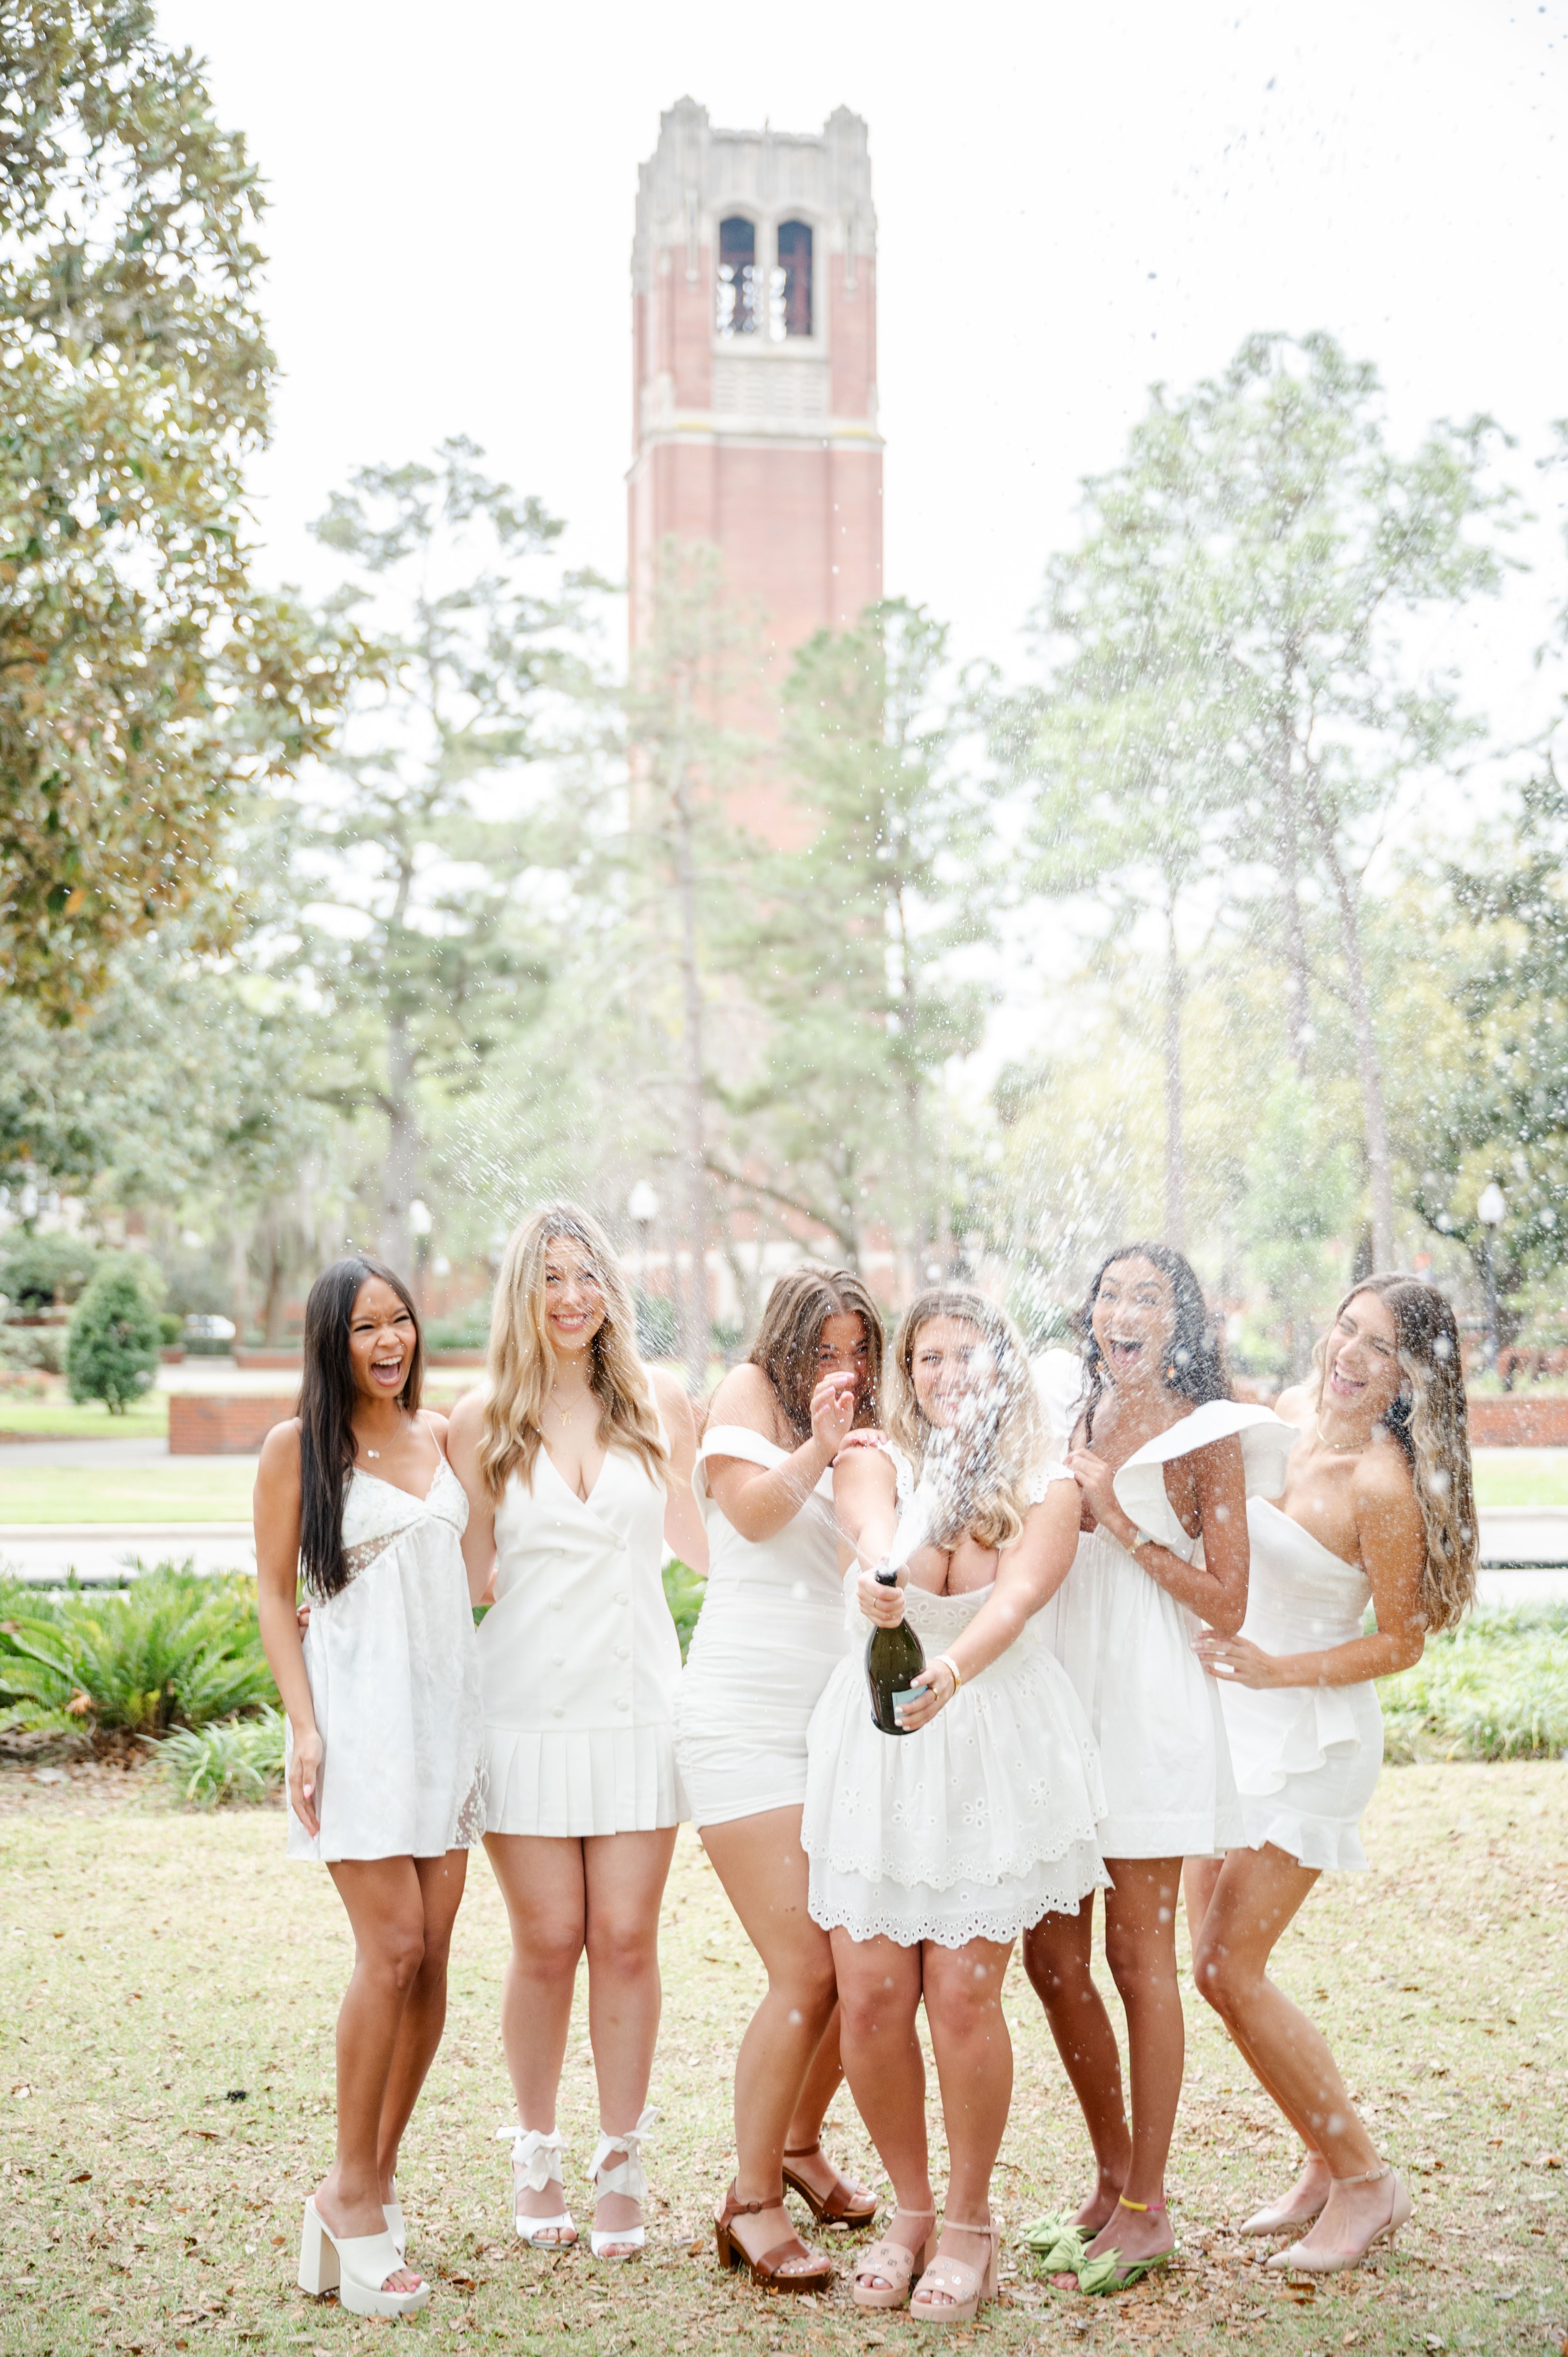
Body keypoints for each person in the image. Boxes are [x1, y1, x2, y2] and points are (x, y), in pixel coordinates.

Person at [803, 1288, 1110, 2324]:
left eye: (964, 1356)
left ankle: (970, 2220)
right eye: (927, 1357)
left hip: (982, 1734)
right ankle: (909, 2207)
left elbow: (1017, 1598)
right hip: (882, 1746)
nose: (944, 1374)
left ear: (1002, 1368)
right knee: (875, 1992)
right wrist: (878, 1581)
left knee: (963, 1995)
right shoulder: (871, 1456)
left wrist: (953, 1671)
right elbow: (869, 1529)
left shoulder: (1046, 1480)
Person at [1184, 1275, 1476, 2274]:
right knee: (1216, 1972)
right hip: (1230, 1723)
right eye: (1344, 1328)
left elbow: (1400, 1643)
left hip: (1310, 1736)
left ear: (1409, 1378)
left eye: (1378, 1346)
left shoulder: (1381, 1486)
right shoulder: (1284, 1422)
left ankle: (1364, 2181)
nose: (1347, 1353)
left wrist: (1278, 1669)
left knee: (1226, 1965)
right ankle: (1320, 2157)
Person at [1023, 1244, 1294, 2291]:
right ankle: (1105, 2176)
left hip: (1146, 1705)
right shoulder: (1075, 1414)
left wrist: (1123, 1521)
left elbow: (1225, 1598)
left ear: (1177, 1320)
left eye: (1145, 1296)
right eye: (1107, 1292)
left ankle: (1148, 2203)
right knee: (1050, 1957)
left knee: (1138, 1959)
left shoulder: (1204, 1432)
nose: (1120, 1310)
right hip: (1063, 1695)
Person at [445, 1204, 705, 2261]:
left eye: (586, 1275)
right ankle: (537, 2150)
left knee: (628, 1938)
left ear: (611, 1289)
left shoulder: (660, 1403)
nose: (569, 1296)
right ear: (523, 1290)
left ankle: (621, 2161)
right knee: (549, 1939)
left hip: (641, 1704)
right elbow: (459, 1578)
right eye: (549, 1277)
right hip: (525, 1710)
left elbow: (709, 1544)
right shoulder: (476, 1419)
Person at [256, 1256, 485, 2320]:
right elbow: (271, 1586)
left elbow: (473, 1576)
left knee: (431, 1958)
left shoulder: (442, 1436)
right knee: (389, 1947)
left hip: (445, 1720)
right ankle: (348, 2188)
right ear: (328, 1341)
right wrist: (304, 1720)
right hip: (358, 1727)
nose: (389, 1341)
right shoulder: (292, 1450)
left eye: (399, 1321)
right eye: (365, 1328)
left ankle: (371, 2182)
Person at [678, 1267, 884, 2295]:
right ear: (785, 1341)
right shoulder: (749, 1397)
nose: (840, 1367)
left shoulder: (869, 1428)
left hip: (837, 1725)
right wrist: (816, 1438)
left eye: (856, 1348)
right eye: (823, 1345)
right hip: (741, 1720)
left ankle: (800, 2147)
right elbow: (752, 1516)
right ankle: (748, 2200)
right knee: (805, 1965)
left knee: (863, 1960)